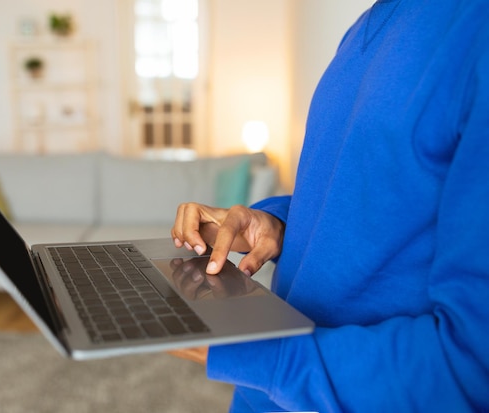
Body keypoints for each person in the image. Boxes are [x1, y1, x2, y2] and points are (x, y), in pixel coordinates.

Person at [170, 0, 489, 411]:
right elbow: (355, 196)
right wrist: (275, 222)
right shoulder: (363, 29)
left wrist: (249, 353)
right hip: (263, 398)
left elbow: (472, 367)